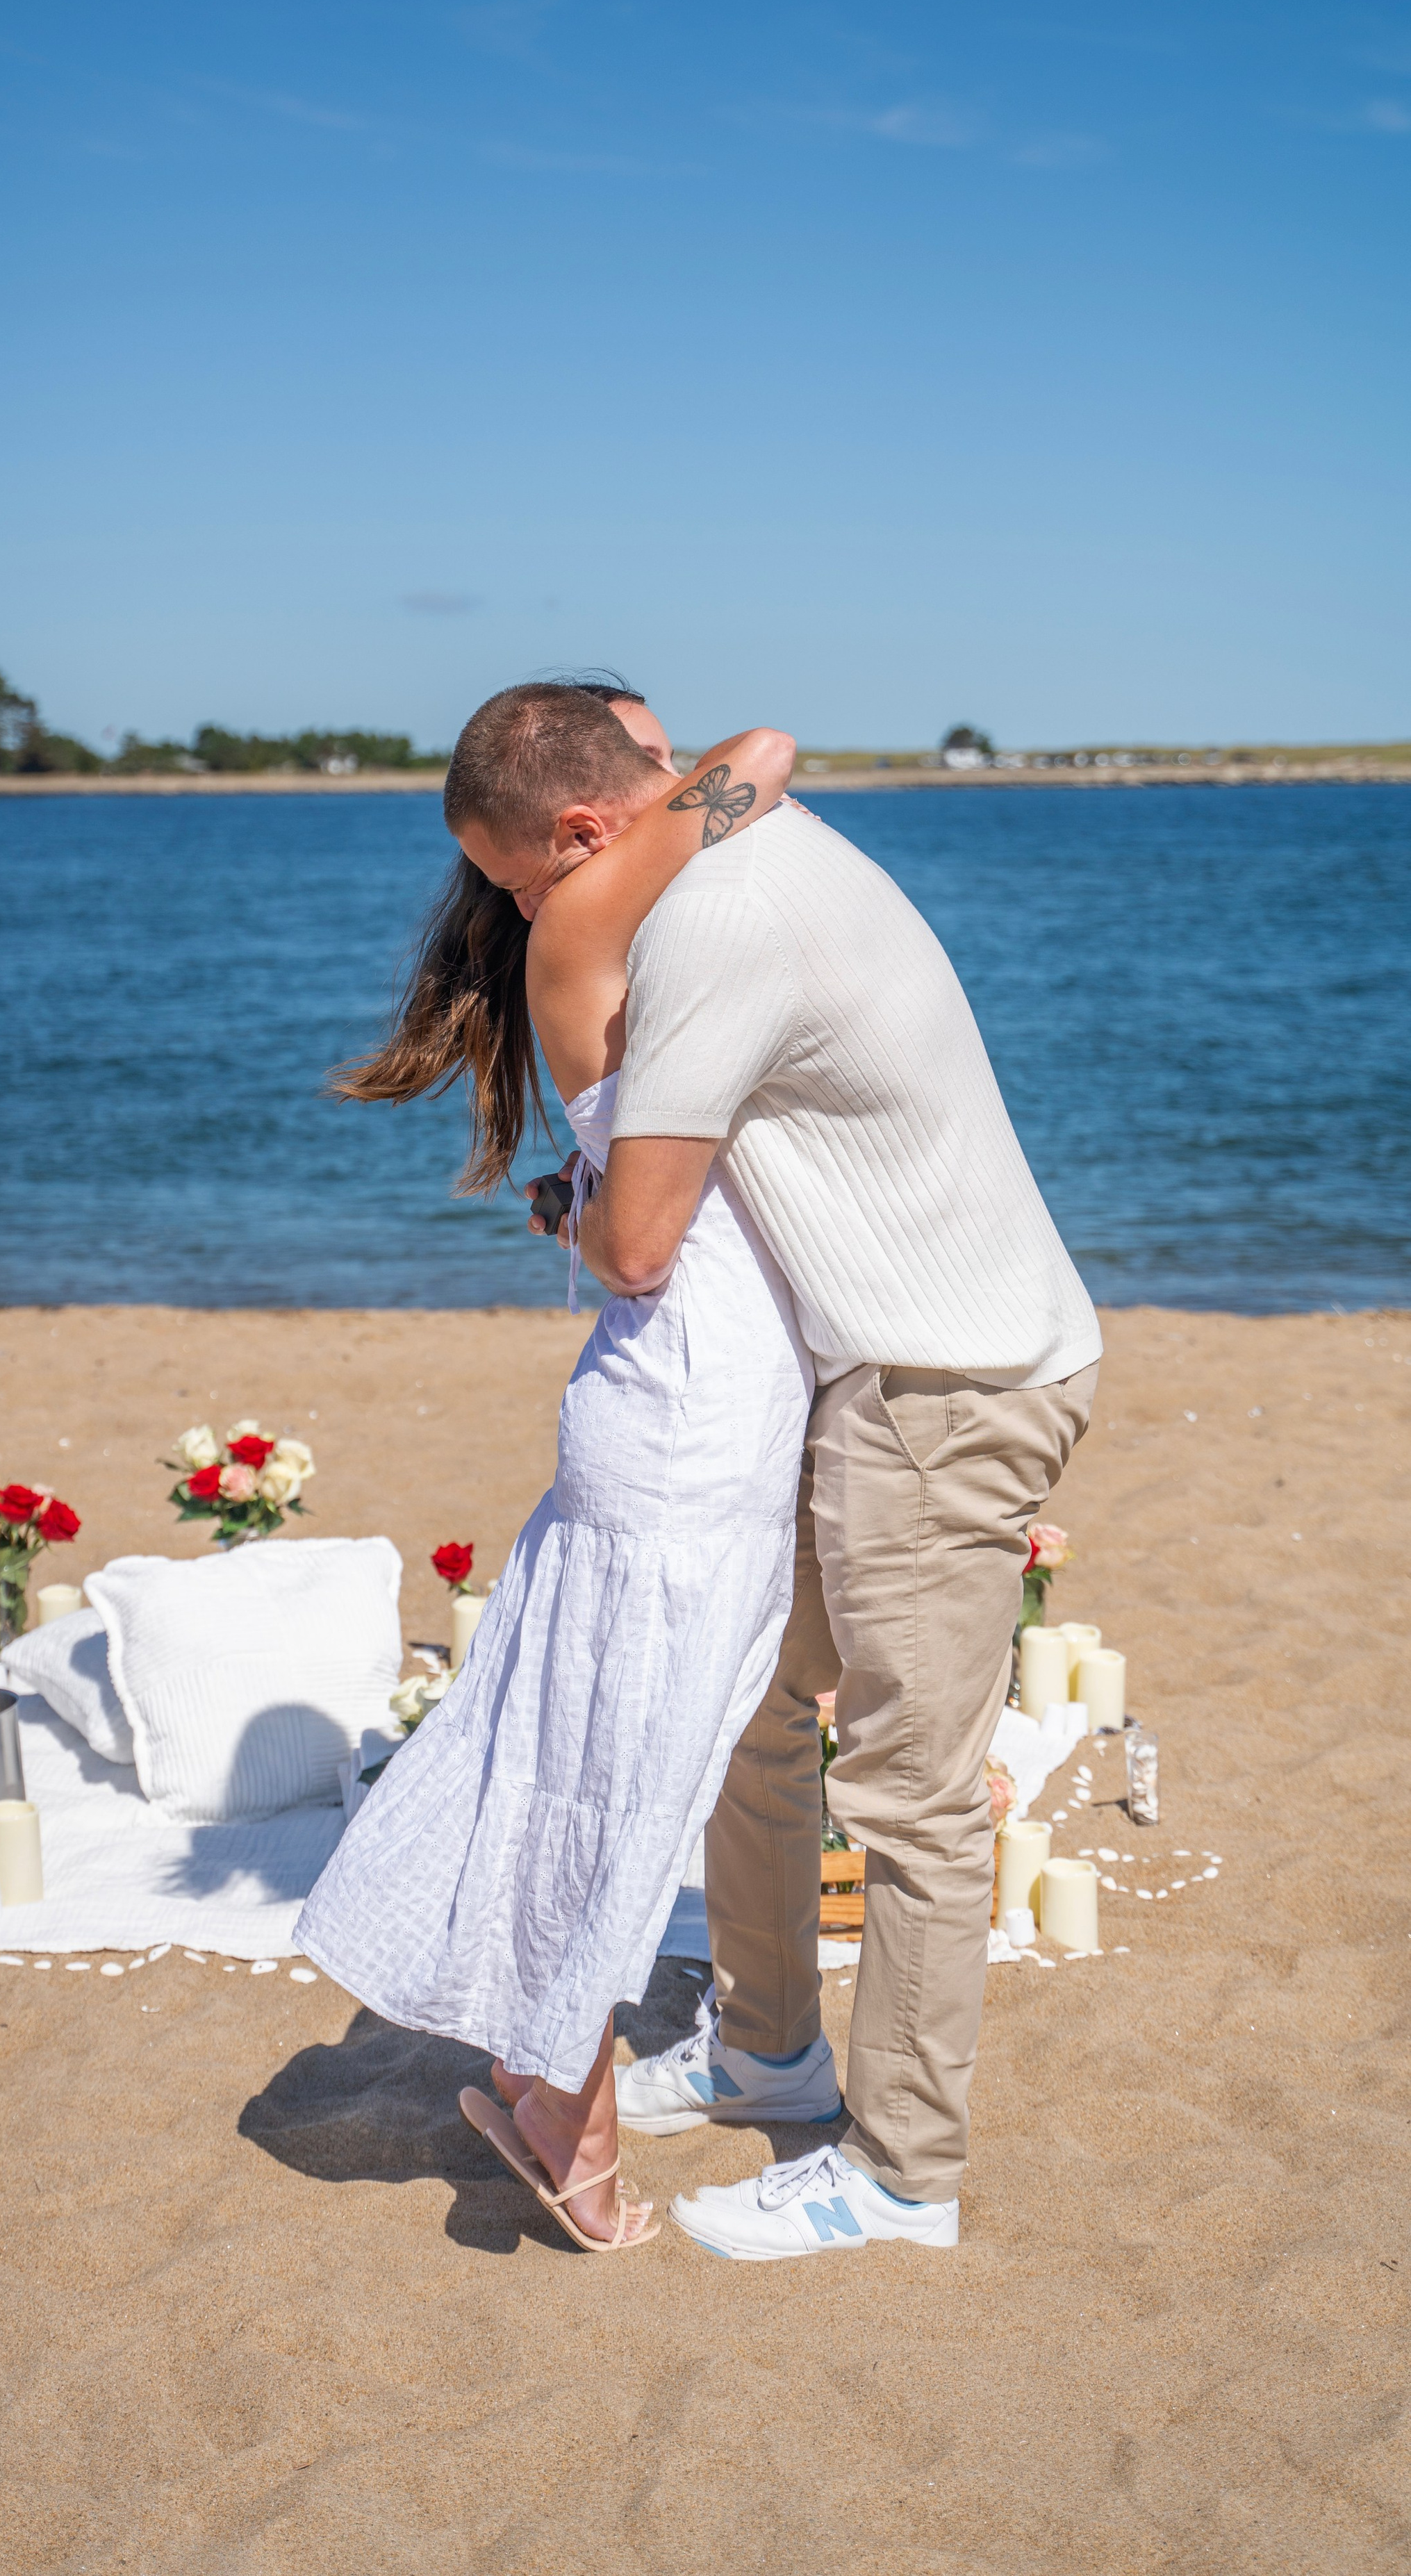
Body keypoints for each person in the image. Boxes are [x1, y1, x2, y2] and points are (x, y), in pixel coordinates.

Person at [295, 684, 825, 2250]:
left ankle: (545, 2082)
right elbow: (763, 753)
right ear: (595, 822)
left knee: (588, 1770)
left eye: (519, 874)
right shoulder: (593, 908)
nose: (525, 905)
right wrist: (639, 801)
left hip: (671, 1414)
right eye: (524, 880)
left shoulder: (601, 909)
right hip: (685, 1428)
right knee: (614, 1790)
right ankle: (570, 2123)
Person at [558, 739, 1103, 2258]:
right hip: (873, 1369)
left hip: (944, 1387)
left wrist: (584, 1211)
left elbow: (635, 1245)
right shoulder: (738, 848)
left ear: (587, 832)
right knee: (760, 1706)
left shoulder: (715, 919)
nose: (533, 914)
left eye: (518, 882)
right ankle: (766, 2048)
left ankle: (902, 2173)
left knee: (910, 1793)